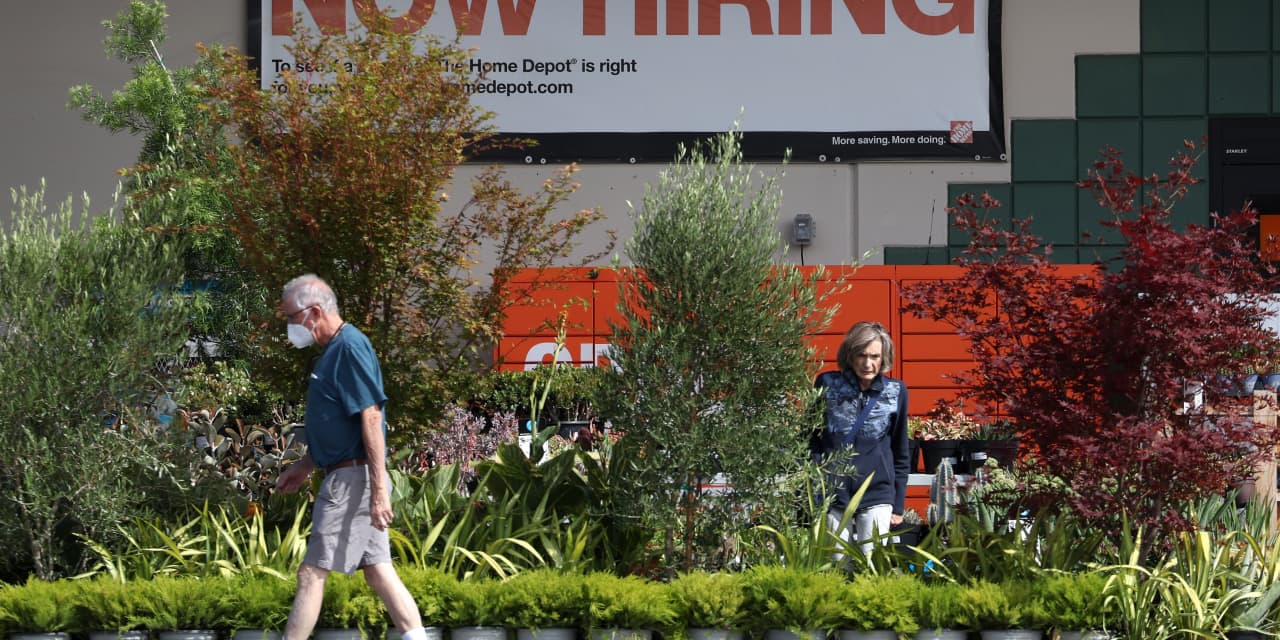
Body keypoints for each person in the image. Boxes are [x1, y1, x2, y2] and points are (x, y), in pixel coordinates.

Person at [274, 274, 429, 640]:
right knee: (378, 570)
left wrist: (379, 490)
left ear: (313, 312)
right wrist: (305, 466)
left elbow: (371, 415)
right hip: (348, 474)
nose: (291, 327)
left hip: (351, 482)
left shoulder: (349, 347)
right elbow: (340, 426)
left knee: (311, 574)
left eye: (292, 318)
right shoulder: (334, 351)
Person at [810, 320, 910, 559]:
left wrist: (898, 503)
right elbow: (811, 438)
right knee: (837, 565)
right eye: (861, 355)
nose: (868, 363)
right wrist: (815, 487)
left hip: (877, 492)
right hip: (833, 493)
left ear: (884, 357)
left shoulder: (896, 391)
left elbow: (900, 449)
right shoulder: (827, 385)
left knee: (872, 564)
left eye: (875, 356)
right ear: (850, 356)